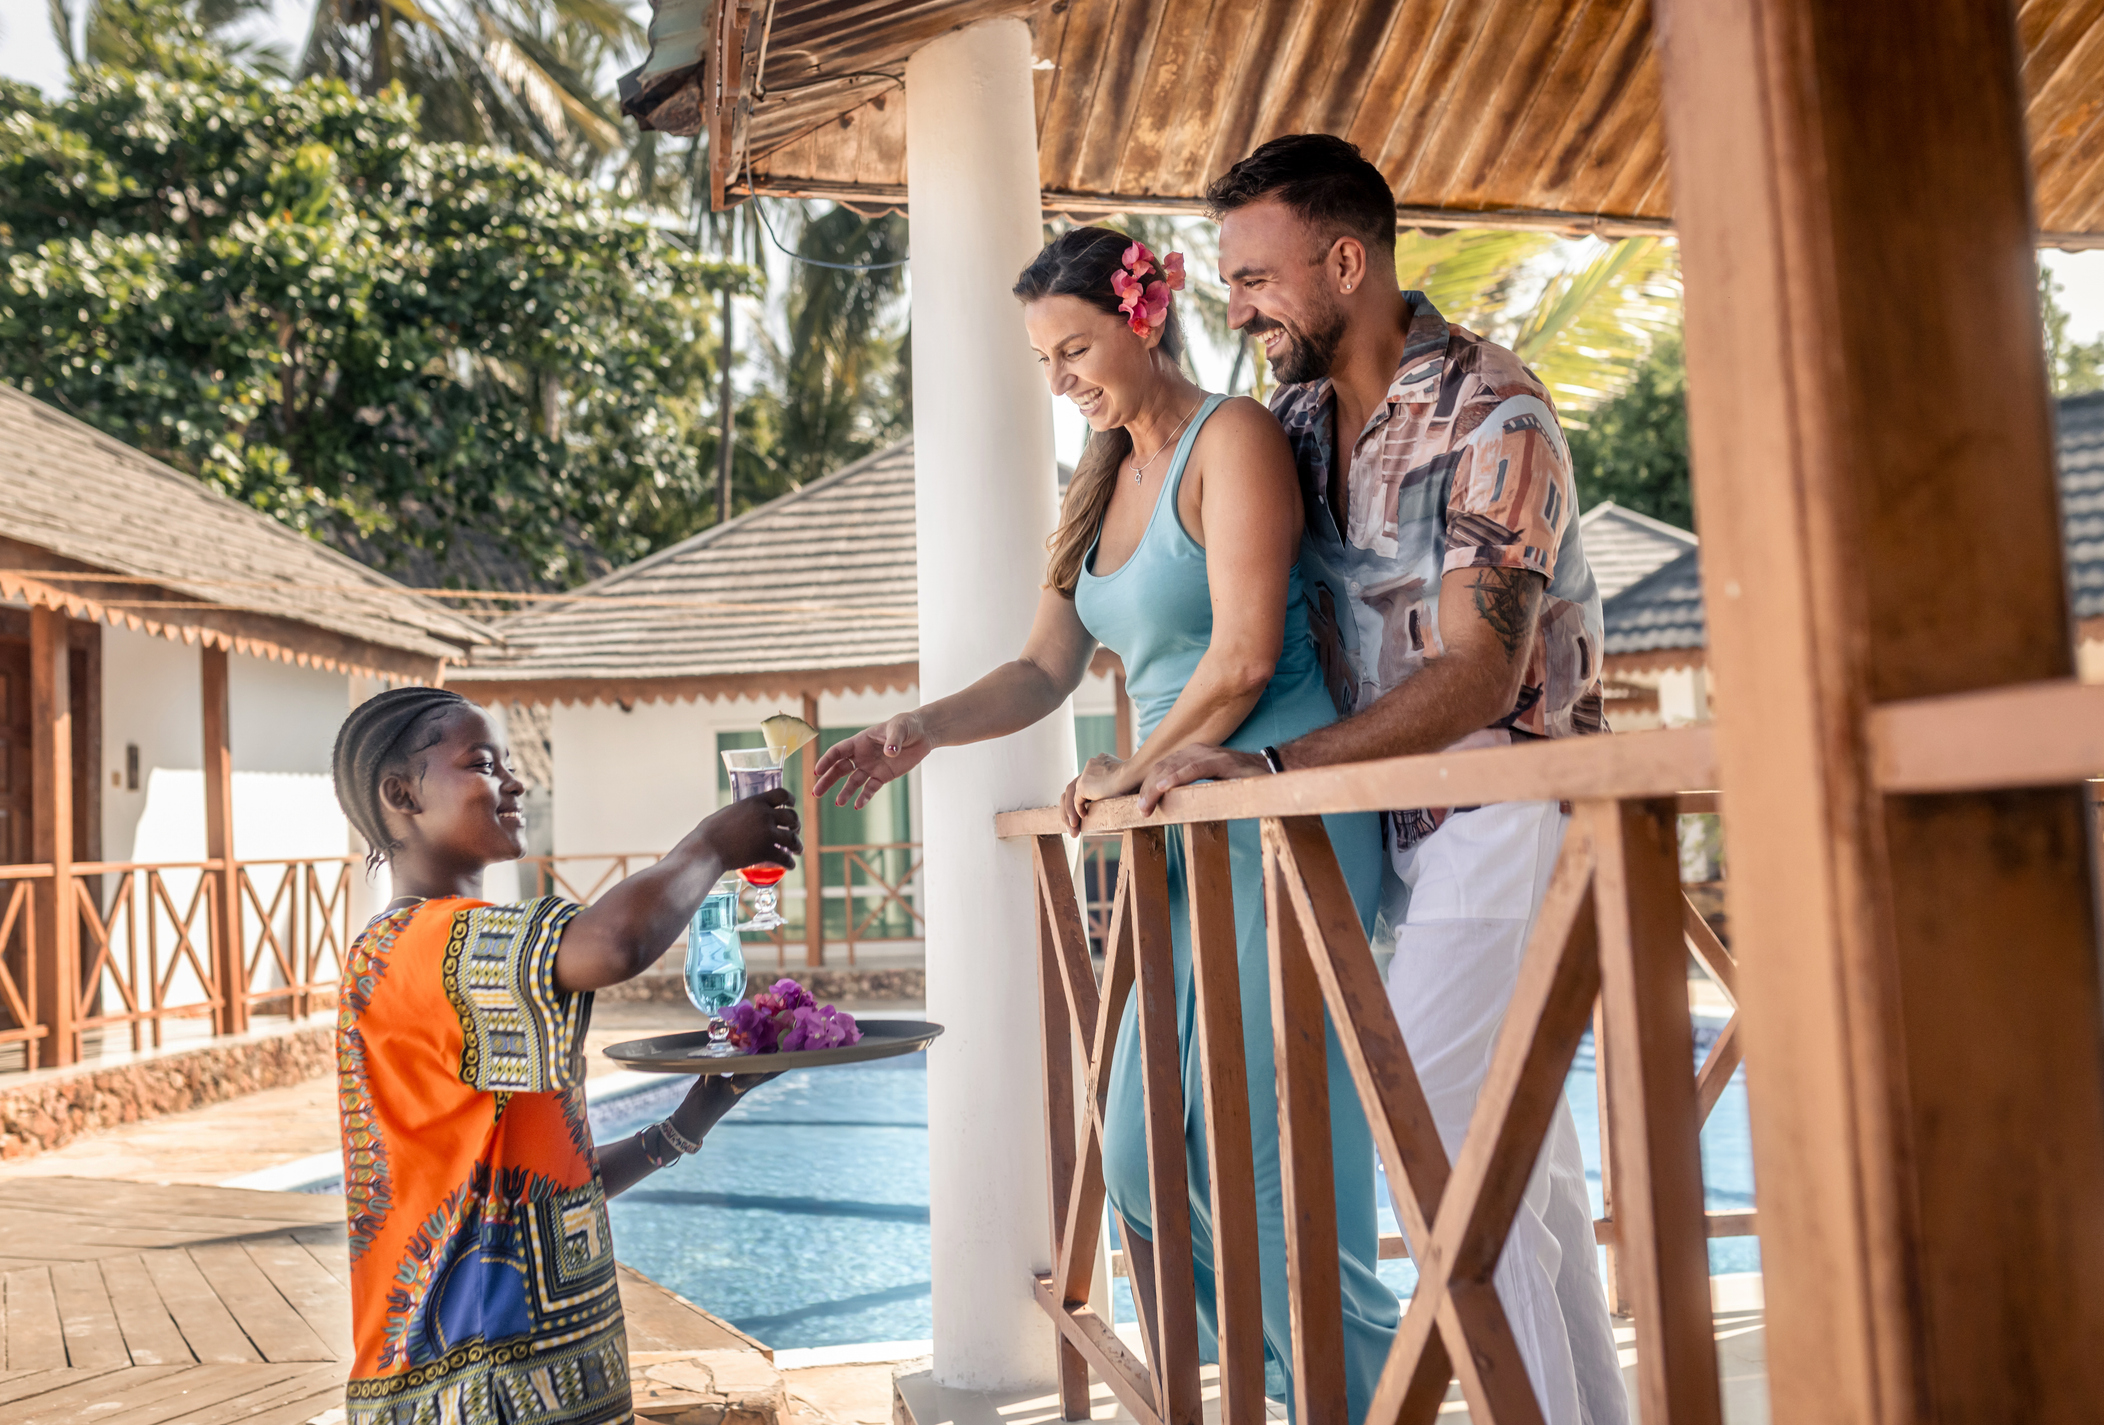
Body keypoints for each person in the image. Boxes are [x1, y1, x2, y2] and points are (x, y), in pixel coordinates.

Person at [812, 227, 1399, 1417]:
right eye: (1043, 358)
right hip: (1177, 830)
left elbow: (1238, 660)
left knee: (1275, 1158)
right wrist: (912, 731)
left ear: (1143, 318)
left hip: (1277, 819)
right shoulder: (1094, 484)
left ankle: (1364, 1394)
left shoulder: (1230, 440)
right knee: (1135, 1156)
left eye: (1075, 346)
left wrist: (1127, 768)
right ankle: (1275, 1387)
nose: (1062, 376)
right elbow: (1041, 670)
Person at [1138, 135, 1627, 1425]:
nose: (1234, 309)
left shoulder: (1495, 411)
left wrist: (1272, 766)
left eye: (1254, 277)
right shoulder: (1294, 423)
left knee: (1443, 1139)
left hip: (1511, 798)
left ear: (1344, 260)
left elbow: (1477, 675)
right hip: (1401, 815)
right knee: (1526, 1162)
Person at [329, 686, 800, 1425]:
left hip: (537, 1377)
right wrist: (711, 845)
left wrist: (686, 1122)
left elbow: (539, 1193)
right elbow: (613, 943)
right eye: (484, 764)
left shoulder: (448, 959)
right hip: (476, 1388)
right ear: (400, 794)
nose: (516, 782)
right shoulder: (418, 946)